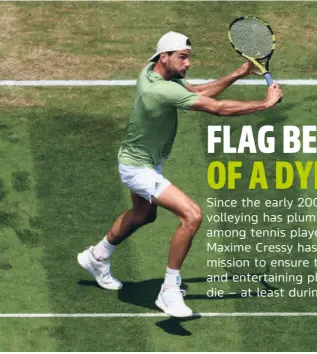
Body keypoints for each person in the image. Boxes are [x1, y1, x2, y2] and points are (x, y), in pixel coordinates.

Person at [78, 31, 283, 317]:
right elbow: (217, 108)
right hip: (138, 168)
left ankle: (96, 256)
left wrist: (238, 73)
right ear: (165, 57)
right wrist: (264, 104)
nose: (188, 64)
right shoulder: (161, 90)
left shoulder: (154, 73)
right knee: (192, 215)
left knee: (144, 215)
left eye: (188, 58)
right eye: (183, 58)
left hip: (141, 160)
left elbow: (196, 93)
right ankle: (169, 291)